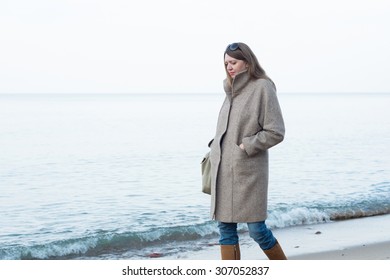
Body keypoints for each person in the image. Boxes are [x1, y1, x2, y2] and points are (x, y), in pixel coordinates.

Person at [208, 42, 287, 260]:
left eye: (233, 62)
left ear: (247, 61)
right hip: (223, 171)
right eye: (226, 63)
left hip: (248, 172)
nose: (229, 67)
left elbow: (276, 131)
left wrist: (246, 146)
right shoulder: (230, 89)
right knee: (225, 230)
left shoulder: (263, 87)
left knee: (257, 230)